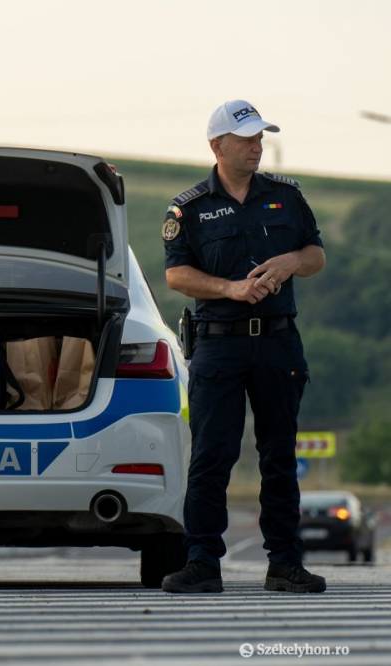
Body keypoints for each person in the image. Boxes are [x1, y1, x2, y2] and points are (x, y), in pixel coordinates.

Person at [160, 100, 327, 594]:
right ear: (218, 146)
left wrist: (292, 261)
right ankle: (202, 562)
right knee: (212, 455)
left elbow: (317, 255)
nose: (258, 146)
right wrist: (231, 289)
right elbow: (176, 274)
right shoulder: (188, 207)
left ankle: (285, 563)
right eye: (248, 139)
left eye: (260, 137)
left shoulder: (287, 197)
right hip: (218, 346)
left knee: (279, 453)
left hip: (277, 342)